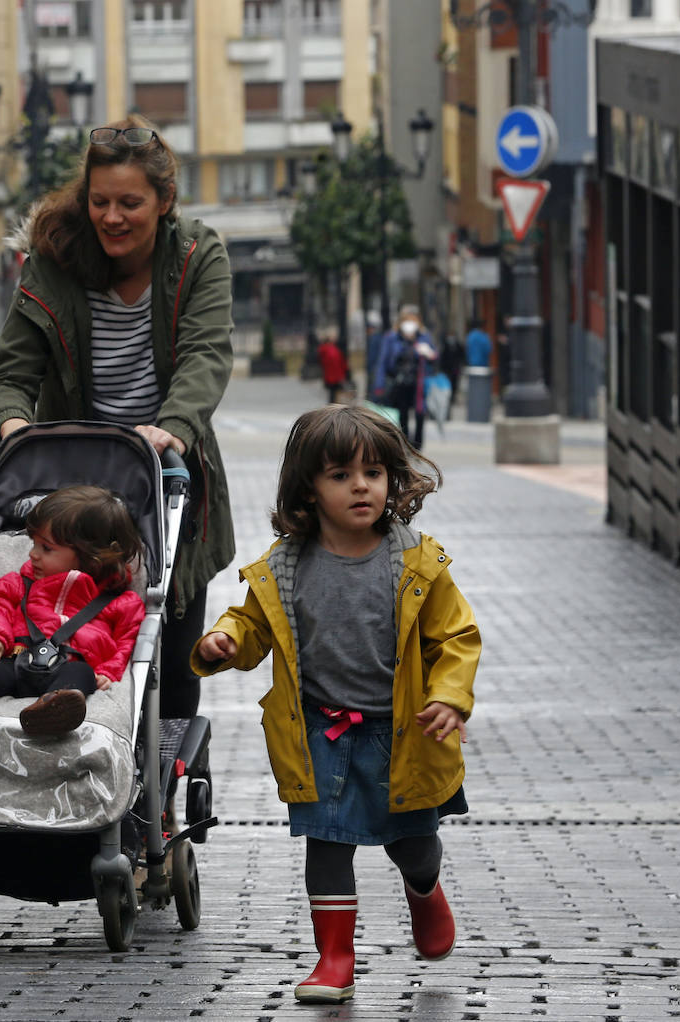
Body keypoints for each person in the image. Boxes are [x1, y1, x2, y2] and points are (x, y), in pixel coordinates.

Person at [192, 405, 481, 1004]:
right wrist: (226, 640)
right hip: (319, 731)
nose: (360, 486)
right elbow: (253, 621)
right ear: (308, 489)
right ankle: (334, 958)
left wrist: (450, 696)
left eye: (373, 473)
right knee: (326, 841)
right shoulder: (286, 565)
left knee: (413, 844)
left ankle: (424, 891)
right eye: (340, 475)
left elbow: (454, 637)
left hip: (401, 733)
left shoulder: (417, 562)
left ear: (392, 482)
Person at [0, 114, 235, 720]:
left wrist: (172, 426)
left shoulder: (199, 255)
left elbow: (206, 353)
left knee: (171, 655)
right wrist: (18, 433)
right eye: (99, 202)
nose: (112, 217)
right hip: (76, 484)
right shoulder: (53, 261)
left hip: (167, 476)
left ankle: (162, 793)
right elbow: (10, 377)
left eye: (130, 203)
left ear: (165, 201)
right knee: (55, 630)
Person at [0, 485, 146, 741]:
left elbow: (126, 642)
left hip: (73, 665)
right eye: (34, 544)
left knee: (80, 676)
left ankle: (50, 712)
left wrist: (109, 670)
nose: (33, 554)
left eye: (46, 548)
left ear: (90, 556)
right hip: (16, 658)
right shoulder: (19, 582)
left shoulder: (119, 601)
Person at [372, 307, 437, 450]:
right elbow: (383, 362)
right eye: (407, 320)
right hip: (399, 383)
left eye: (413, 320)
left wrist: (428, 353)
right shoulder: (391, 337)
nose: (410, 324)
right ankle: (406, 444)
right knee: (403, 414)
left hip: (419, 384)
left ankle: (418, 446)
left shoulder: (424, 337)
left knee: (420, 414)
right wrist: (379, 385)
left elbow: (434, 359)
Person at [317, 333, 348, 404]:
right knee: (336, 392)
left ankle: (332, 405)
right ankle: (334, 406)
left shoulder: (323, 350)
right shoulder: (333, 350)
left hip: (329, 375)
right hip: (336, 376)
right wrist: (343, 374)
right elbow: (339, 362)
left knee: (332, 392)